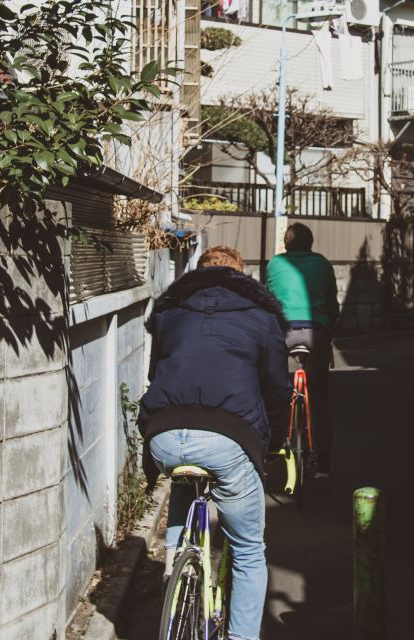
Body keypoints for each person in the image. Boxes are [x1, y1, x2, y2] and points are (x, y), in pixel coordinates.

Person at [139, 246, 292, 640]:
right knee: (247, 549)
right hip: (227, 438)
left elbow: (158, 372)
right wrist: (272, 445)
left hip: (165, 435)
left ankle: (175, 570)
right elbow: (277, 389)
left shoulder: (171, 314)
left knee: (182, 480)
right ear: (241, 277)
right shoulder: (261, 316)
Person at [265, 222, 339, 477]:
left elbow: (268, 300)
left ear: (286, 244)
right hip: (315, 332)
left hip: (282, 332)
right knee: (319, 397)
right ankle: (325, 463)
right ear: (311, 243)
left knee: (274, 388)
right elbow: (332, 305)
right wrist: (329, 336)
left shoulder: (274, 264)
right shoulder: (323, 264)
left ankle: (273, 445)